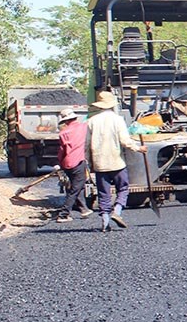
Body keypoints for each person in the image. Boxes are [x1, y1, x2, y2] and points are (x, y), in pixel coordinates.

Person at [86, 90, 146, 232]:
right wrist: (138, 148)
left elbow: (86, 145)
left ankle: (105, 222)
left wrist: (88, 162)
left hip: (100, 164)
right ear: (112, 104)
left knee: (103, 193)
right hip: (116, 162)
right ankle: (117, 211)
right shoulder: (118, 120)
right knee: (123, 188)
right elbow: (125, 141)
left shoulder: (91, 121)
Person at [54, 108, 92, 222]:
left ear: (65, 121)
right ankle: (64, 214)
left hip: (67, 163)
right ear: (75, 118)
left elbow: (62, 151)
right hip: (78, 162)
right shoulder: (83, 127)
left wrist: (60, 162)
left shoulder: (63, 133)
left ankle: (84, 209)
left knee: (77, 185)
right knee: (75, 188)